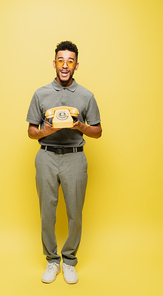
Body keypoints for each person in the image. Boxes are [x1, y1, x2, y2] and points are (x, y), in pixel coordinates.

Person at [26, 41, 102, 284]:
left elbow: (98, 131)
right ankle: (51, 260)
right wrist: (45, 130)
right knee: (47, 212)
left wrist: (80, 125)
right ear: (54, 63)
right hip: (46, 156)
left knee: (74, 212)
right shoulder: (41, 94)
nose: (65, 65)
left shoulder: (86, 95)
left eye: (70, 61)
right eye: (61, 60)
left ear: (76, 65)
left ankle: (69, 261)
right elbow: (30, 131)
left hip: (75, 157)